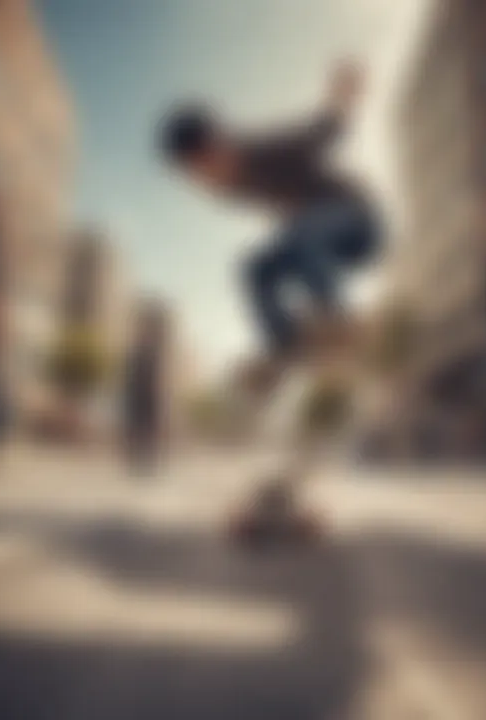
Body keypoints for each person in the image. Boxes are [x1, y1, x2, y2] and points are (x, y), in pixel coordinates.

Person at [159, 61, 383, 393]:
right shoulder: (228, 189)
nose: (205, 181)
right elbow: (277, 204)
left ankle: (338, 322)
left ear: (219, 145)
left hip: (358, 221)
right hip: (319, 243)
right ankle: (284, 345)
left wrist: (343, 94)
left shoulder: (263, 149)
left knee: (303, 229)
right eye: (195, 178)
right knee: (253, 269)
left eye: (204, 167)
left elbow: (323, 132)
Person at [122, 302, 167, 474]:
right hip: (136, 396)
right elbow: (130, 376)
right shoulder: (136, 351)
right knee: (135, 428)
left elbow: (156, 378)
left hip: (148, 397)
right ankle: (135, 462)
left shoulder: (153, 352)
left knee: (147, 430)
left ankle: (146, 463)